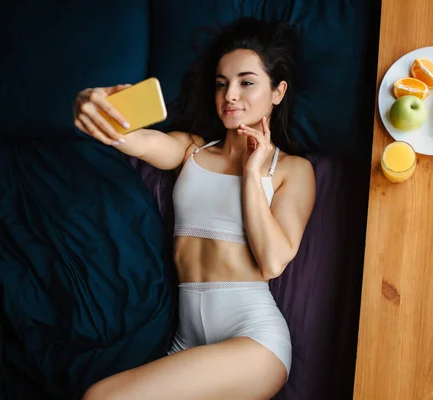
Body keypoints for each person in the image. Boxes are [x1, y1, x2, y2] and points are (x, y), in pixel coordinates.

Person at [74, 17, 316, 400]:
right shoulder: (192, 149)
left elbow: (272, 262)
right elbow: (134, 140)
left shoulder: (291, 170)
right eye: (222, 84)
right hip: (186, 342)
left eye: (246, 82)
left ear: (277, 91)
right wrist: (95, 109)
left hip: (254, 342)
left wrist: (252, 175)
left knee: (101, 397)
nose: (230, 95)